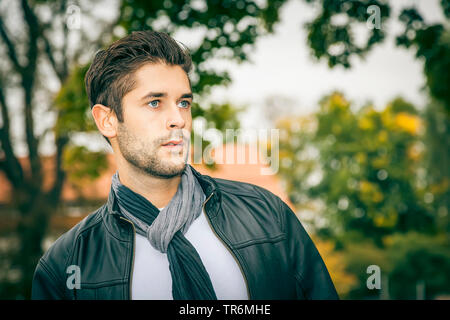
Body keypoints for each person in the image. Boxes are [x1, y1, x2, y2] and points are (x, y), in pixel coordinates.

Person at [31, 30, 339, 300]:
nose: (178, 119)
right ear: (107, 120)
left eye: (184, 103)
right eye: (155, 103)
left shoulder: (267, 215)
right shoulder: (66, 265)